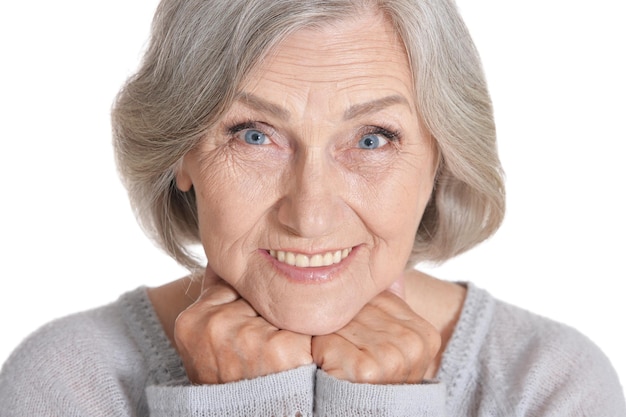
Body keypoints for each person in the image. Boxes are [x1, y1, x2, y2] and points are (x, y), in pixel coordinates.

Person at [1, 0, 624, 415]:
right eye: (253, 134)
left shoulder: (549, 385)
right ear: (182, 153)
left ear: (441, 156)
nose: (311, 214)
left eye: (373, 138)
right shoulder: (68, 381)